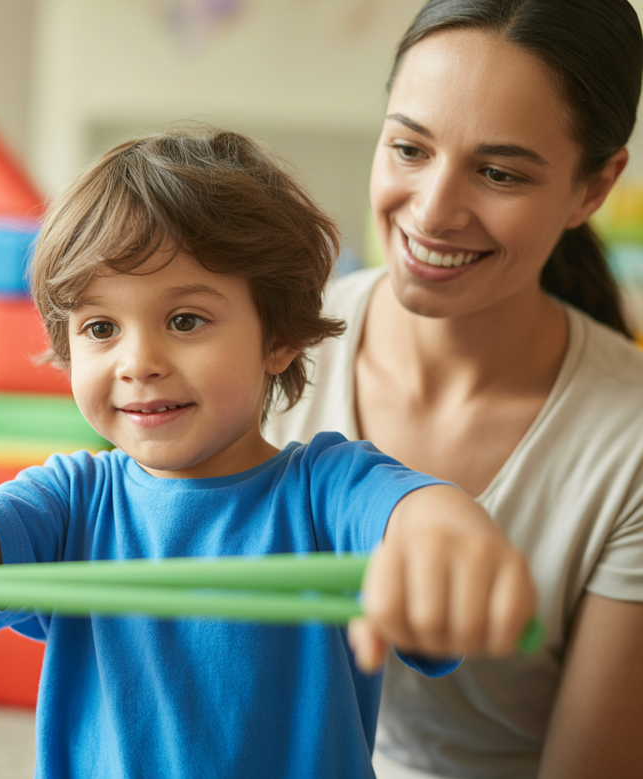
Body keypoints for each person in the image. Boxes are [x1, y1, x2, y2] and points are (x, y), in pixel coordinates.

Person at [0, 128, 536, 778]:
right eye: (99, 327)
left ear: (278, 336)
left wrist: (448, 543)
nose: (135, 360)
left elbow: (418, 510)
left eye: (184, 319)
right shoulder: (75, 498)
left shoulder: (327, 485)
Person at [265, 1, 643, 777]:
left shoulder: (626, 445)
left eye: (498, 172)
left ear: (591, 188)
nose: (432, 211)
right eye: (408, 147)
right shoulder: (260, 342)